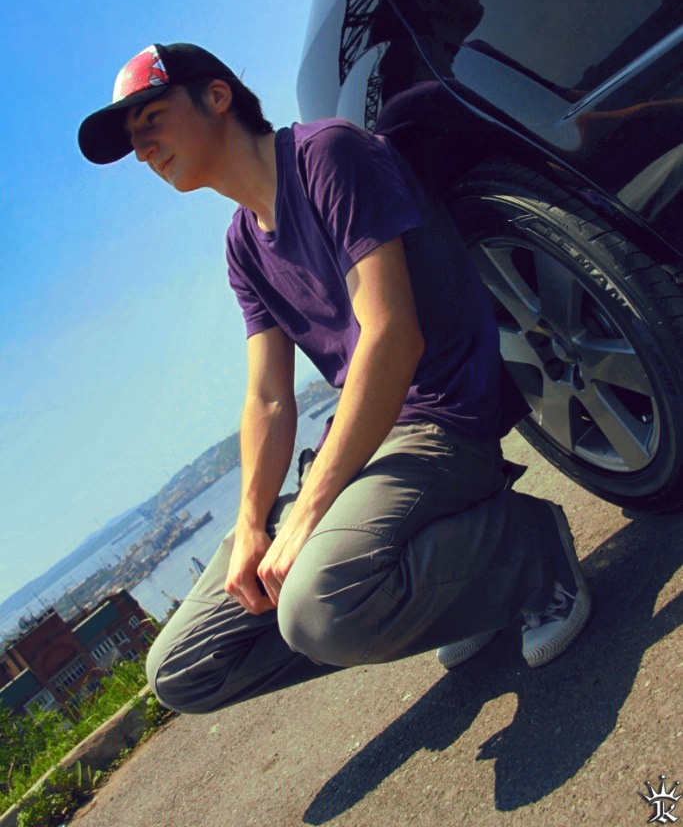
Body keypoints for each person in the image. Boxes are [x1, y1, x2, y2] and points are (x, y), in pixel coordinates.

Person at [78, 42, 591, 714]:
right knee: (182, 669)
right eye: (132, 140)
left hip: (439, 421)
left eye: (151, 119)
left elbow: (391, 335)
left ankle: (529, 554)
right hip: (365, 447)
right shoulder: (241, 245)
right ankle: (461, 596)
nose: (142, 148)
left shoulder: (326, 155)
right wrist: (253, 524)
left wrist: (309, 512)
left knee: (318, 609)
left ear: (217, 97)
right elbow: (268, 399)